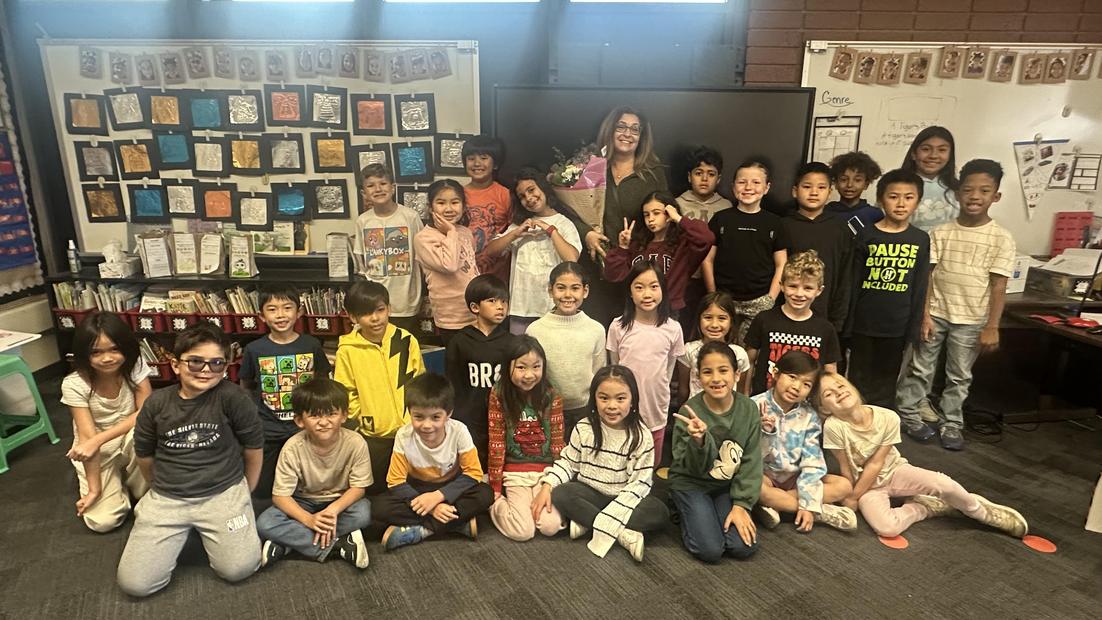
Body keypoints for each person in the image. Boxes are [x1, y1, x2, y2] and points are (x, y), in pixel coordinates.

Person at [116, 324, 263, 597]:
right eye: (195, 362)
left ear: (225, 366)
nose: (206, 371)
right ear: (175, 364)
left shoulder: (233, 398)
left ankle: (217, 529)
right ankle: (180, 532)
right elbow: (145, 454)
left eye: (216, 363)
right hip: (168, 497)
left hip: (222, 493)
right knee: (135, 584)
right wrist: (159, 487)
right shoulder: (157, 403)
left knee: (239, 569)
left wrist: (245, 490)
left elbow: (253, 448)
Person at [816, 372, 1028, 539]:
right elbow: (845, 467)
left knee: (943, 483)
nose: (838, 392)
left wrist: (852, 497)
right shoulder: (834, 427)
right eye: (828, 394)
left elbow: (876, 463)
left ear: (852, 387)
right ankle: (927, 507)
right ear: (824, 408)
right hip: (867, 487)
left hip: (895, 471)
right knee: (887, 528)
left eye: (841, 385)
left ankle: (980, 512)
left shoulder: (888, 417)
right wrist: (858, 493)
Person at [896, 159, 1015, 451]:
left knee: (959, 375)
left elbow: (999, 285)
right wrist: (923, 315)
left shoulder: (1001, 238)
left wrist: (992, 326)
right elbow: (928, 279)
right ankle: (909, 415)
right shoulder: (940, 233)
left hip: (972, 318)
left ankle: (952, 422)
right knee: (921, 369)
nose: (975, 196)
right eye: (968, 190)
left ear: (996, 196)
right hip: (935, 313)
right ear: (957, 193)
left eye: (984, 190)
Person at [533, 366, 669, 561]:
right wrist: (547, 485)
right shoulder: (584, 428)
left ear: (632, 400)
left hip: (624, 498)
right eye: (604, 398)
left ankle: (589, 522)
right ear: (594, 399)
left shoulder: (641, 436)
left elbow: (640, 484)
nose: (611, 406)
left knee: (659, 512)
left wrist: (617, 510)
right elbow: (568, 463)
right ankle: (622, 535)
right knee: (562, 493)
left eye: (620, 399)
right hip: (590, 493)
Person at [256, 379, 372, 570]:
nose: (324, 422)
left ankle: (290, 543)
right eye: (314, 416)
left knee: (364, 513)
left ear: (344, 415)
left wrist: (332, 510)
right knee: (266, 522)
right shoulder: (293, 447)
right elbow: (280, 496)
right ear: (300, 420)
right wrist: (309, 520)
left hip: (339, 503)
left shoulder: (356, 442)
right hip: (303, 502)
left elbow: (359, 488)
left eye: (332, 414)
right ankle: (338, 545)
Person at [376, 373, 494, 551]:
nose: (427, 425)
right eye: (418, 417)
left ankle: (423, 530)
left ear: (449, 414)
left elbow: (473, 473)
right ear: (409, 413)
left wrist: (438, 497)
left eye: (435, 417)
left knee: (485, 494)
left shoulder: (459, 431)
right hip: (417, 489)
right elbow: (395, 481)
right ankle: (456, 524)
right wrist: (431, 508)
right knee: (378, 507)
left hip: (449, 488)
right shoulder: (403, 435)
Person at [669, 342, 762, 564]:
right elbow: (687, 466)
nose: (716, 378)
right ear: (698, 377)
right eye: (707, 372)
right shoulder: (689, 413)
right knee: (710, 550)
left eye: (723, 370)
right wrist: (699, 440)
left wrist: (742, 505)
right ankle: (680, 508)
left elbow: (751, 461)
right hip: (691, 483)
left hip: (723, 485)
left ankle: (711, 512)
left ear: (737, 374)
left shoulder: (748, 409)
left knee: (742, 546)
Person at [847, 169, 930, 409]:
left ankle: (880, 429)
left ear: (918, 201)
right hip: (864, 323)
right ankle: (854, 424)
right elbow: (853, 281)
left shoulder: (920, 239)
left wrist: (913, 328)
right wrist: (849, 324)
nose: (901, 203)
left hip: (897, 326)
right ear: (881, 199)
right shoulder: (866, 234)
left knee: (886, 382)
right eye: (893, 196)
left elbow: (920, 285)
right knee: (858, 380)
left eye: (908, 197)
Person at [61, 312, 152, 532]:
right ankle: (118, 484)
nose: (107, 358)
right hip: (98, 453)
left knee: (144, 432)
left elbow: (145, 412)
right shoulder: (74, 384)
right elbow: (87, 440)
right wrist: (94, 489)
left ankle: (138, 487)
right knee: (103, 522)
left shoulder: (134, 365)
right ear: (84, 354)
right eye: (96, 352)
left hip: (130, 439)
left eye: (114, 349)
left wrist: (99, 439)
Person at [238, 284, 331, 499]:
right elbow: (246, 384)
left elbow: (322, 380)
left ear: (299, 312)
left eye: (287, 308)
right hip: (268, 427)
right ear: (261, 316)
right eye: (272, 309)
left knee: (306, 482)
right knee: (265, 487)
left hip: (305, 426)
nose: (280, 315)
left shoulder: (311, 345)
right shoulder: (255, 349)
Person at [334, 280, 425, 494]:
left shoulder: (406, 340)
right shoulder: (347, 350)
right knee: (379, 491)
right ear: (353, 317)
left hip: (412, 431)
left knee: (416, 487)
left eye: (380, 310)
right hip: (374, 438)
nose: (375, 318)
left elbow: (420, 382)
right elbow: (345, 392)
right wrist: (366, 420)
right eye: (366, 314)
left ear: (389, 309)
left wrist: (417, 417)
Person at [751, 350, 856, 532]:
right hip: (765, 475)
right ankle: (819, 511)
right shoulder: (753, 406)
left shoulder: (809, 416)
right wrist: (766, 433)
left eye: (806, 384)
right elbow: (749, 455)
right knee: (757, 488)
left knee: (844, 486)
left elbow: (812, 460)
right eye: (792, 377)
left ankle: (780, 506)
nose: (797, 387)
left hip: (796, 478)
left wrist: (807, 502)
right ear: (775, 373)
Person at [483, 167, 582, 335]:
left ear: (542, 187)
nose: (529, 198)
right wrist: (515, 233)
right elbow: (490, 251)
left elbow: (571, 259)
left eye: (531, 190)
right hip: (521, 309)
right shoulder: (520, 224)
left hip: (552, 308)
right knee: (521, 356)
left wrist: (551, 231)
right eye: (522, 196)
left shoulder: (564, 223)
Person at [487, 336, 566, 541]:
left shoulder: (551, 393)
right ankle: (493, 505)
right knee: (523, 532)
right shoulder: (499, 393)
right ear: (508, 367)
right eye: (521, 367)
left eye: (536, 367)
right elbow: (497, 442)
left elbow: (558, 442)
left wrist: (556, 481)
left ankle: (529, 511)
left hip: (545, 473)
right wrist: (494, 488)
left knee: (551, 527)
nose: (529, 375)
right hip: (515, 472)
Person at [607, 260, 685, 462]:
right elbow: (614, 369)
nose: (647, 294)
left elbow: (669, 370)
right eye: (639, 287)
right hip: (624, 409)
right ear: (630, 292)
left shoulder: (673, 328)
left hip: (655, 408)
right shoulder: (618, 327)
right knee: (622, 461)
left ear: (663, 290)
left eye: (654, 286)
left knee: (651, 465)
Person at [703, 160, 788, 346]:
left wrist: (770, 298)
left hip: (759, 299)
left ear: (767, 188)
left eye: (756, 182)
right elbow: (707, 260)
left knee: (751, 352)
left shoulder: (774, 222)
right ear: (733, 188)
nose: (748, 187)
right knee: (720, 349)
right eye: (742, 182)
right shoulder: (721, 219)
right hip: (725, 299)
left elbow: (782, 263)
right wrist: (713, 295)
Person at [525, 262, 606, 439]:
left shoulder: (596, 329)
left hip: (585, 411)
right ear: (550, 290)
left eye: (575, 288)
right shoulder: (535, 330)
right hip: (546, 410)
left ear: (585, 291)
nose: (568, 295)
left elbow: (599, 373)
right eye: (561, 288)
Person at [744, 250, 841, 396]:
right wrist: (744, 398)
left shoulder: (825, 329)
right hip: (764, 402)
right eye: (793, 286)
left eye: (808, 288)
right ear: (782, 285)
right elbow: (748, 362)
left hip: (807, 408)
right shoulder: (764, 319)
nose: (799, 294)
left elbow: (830, 373)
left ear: (819, 290)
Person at [603, 191, 715, 315]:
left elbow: (706, 238)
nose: (650, 219)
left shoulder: (683, 245)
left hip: (669, 310)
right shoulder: (637, 244)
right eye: (646, 215)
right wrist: (623, 248)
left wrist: (678, 218)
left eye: (656, 213)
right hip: (637, 309)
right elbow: (613, 275)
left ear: (668, 214)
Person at [445, 274, 515, 468]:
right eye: (492, 301)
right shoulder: (460, 342)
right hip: (470, 419)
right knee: (472, 467)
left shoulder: (511, 342)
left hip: (503, 419)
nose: (500, 306)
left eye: (504, 301)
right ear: (475, 307)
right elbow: (453, 383)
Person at [782, 161, 853, 333]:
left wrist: (838, 321)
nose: (814, 192)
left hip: (826, 317)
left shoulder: (840, 229)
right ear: (794, 190)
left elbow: (845, 277)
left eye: (821, 187)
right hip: (785, 315)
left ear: (830, 192)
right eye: (807, 186)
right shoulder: (782, 225)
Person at [355, 163, 424, 335]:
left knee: (403, 354)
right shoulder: (363, 221)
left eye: (383, 183)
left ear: (393, 188)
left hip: (406, 302)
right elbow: (361, 261)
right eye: (371, 185)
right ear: (364, 193)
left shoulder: (410, 217)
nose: (378, 189)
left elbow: (424, 255)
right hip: (375, 304)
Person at [414, 179, 479, 344]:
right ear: (431, 207)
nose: (449, 209)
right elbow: (449, 265)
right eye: (441, 203)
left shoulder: (465, 232)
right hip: (451, 318)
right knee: (457, 365)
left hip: (475, 312)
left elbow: (470, 267)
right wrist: (450, 231)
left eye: (455, 202)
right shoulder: (424, 238)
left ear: (463, 207)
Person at [676, 146, 733, 334]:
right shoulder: (676, 204)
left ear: (719, 179)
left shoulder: (726, 207)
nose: (704, 178)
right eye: (699, 173)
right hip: (686, 278)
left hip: (715, 278)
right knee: (685, 325)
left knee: (712, 325)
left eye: (711, 174)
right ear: (689, 176)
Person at [676, 291, 750, 403]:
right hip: (695, 414)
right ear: (699, 319)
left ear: (731, 322)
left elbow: (740, 392)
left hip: (727, 416)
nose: (714, 325)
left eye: (722, 318)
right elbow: (683, 390)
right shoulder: (688, 350)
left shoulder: (739, 354)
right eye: (708, 317)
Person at [462, 135, 512, 282]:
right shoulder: (457, 195)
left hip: (498, 276)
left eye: (483, 158)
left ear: (495, 164)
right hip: (463, 274)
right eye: (471, 158)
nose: (477, 163)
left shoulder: (505, 195)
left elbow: (514, 232)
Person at [900, 126, 959, 233]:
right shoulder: (897, 186)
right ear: (913, 154)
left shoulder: (958, 189)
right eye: (926, 149)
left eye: (942, 150)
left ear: (950, 155)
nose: (933, 156)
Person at [826, 151, 884, 235]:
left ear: (866, 184)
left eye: (857, 180)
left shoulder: (874, 214)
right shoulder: (826, 212)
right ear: (835, 183)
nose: (849, 185)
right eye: (843, 179)